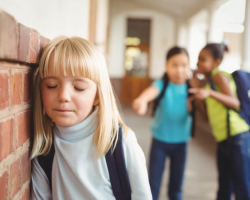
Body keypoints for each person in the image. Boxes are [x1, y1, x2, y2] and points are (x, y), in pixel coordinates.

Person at [30, 36, 152, 200]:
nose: (63, 96)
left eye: (79, 88)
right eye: (51, 85)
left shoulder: (120, 143)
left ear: (97, 96)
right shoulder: (43, 151)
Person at [189, 43, 250, 200]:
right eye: (198, 59)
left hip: (237, 136)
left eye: (203, 59)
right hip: (223, 139)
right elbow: (206, 116)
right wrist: (198, 90)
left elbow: (235, 102)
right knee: (224, 186)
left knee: (242, 187)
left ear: (216, 62)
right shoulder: (207, 82)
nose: (198, 63)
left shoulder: (218, 75)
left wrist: (209, 92)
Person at [133, 47, 193, 200]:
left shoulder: (191, 88)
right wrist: (142, 100)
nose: (179, 70)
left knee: (176, 187)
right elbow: (150, 92)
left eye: (184, 65)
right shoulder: (162, 83)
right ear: (166, 66)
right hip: (160, 142)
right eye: (174, 65)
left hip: (181, 144)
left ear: (189, 66)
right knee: (153, 184)